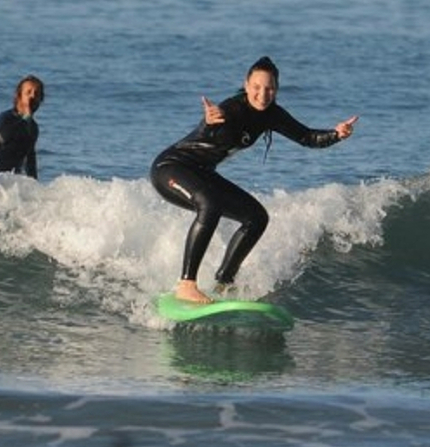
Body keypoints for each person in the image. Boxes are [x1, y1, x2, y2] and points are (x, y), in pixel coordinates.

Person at [150, 56, 359, 304]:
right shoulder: (229, 110)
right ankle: (186, 284)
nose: (263, 94)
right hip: (171, 168)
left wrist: (337, 134)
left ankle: (225, 284)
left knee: (256, 217)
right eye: (257, 87)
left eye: (269, 88)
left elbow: (307, 138)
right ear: (246, 85)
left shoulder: (272, 114)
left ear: (276, 89)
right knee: (210, 203)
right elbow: (208, 129)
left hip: (203, 174)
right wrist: (208, 123)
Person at [0, 75, 45, 179]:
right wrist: (26, 117)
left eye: (37, 94)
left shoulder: (32, 127)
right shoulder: (4, 118)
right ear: (19, 96)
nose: (32, 96)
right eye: (28, 92)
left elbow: (30, 161)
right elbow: (4, 137)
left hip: (13, 183)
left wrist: (36, 188)